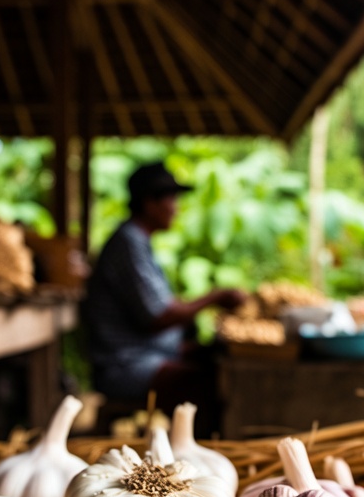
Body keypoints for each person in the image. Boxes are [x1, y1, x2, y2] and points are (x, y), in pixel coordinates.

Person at [84, 160, 246, 436]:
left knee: (214, 358)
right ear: (150, 204)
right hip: (124, 365)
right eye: (171, 200)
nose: (176, 208)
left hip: (147, 352)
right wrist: (215, 297)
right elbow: (158, 316)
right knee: (209, 383)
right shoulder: (128, 243)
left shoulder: (138, 242)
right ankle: (197, 447)